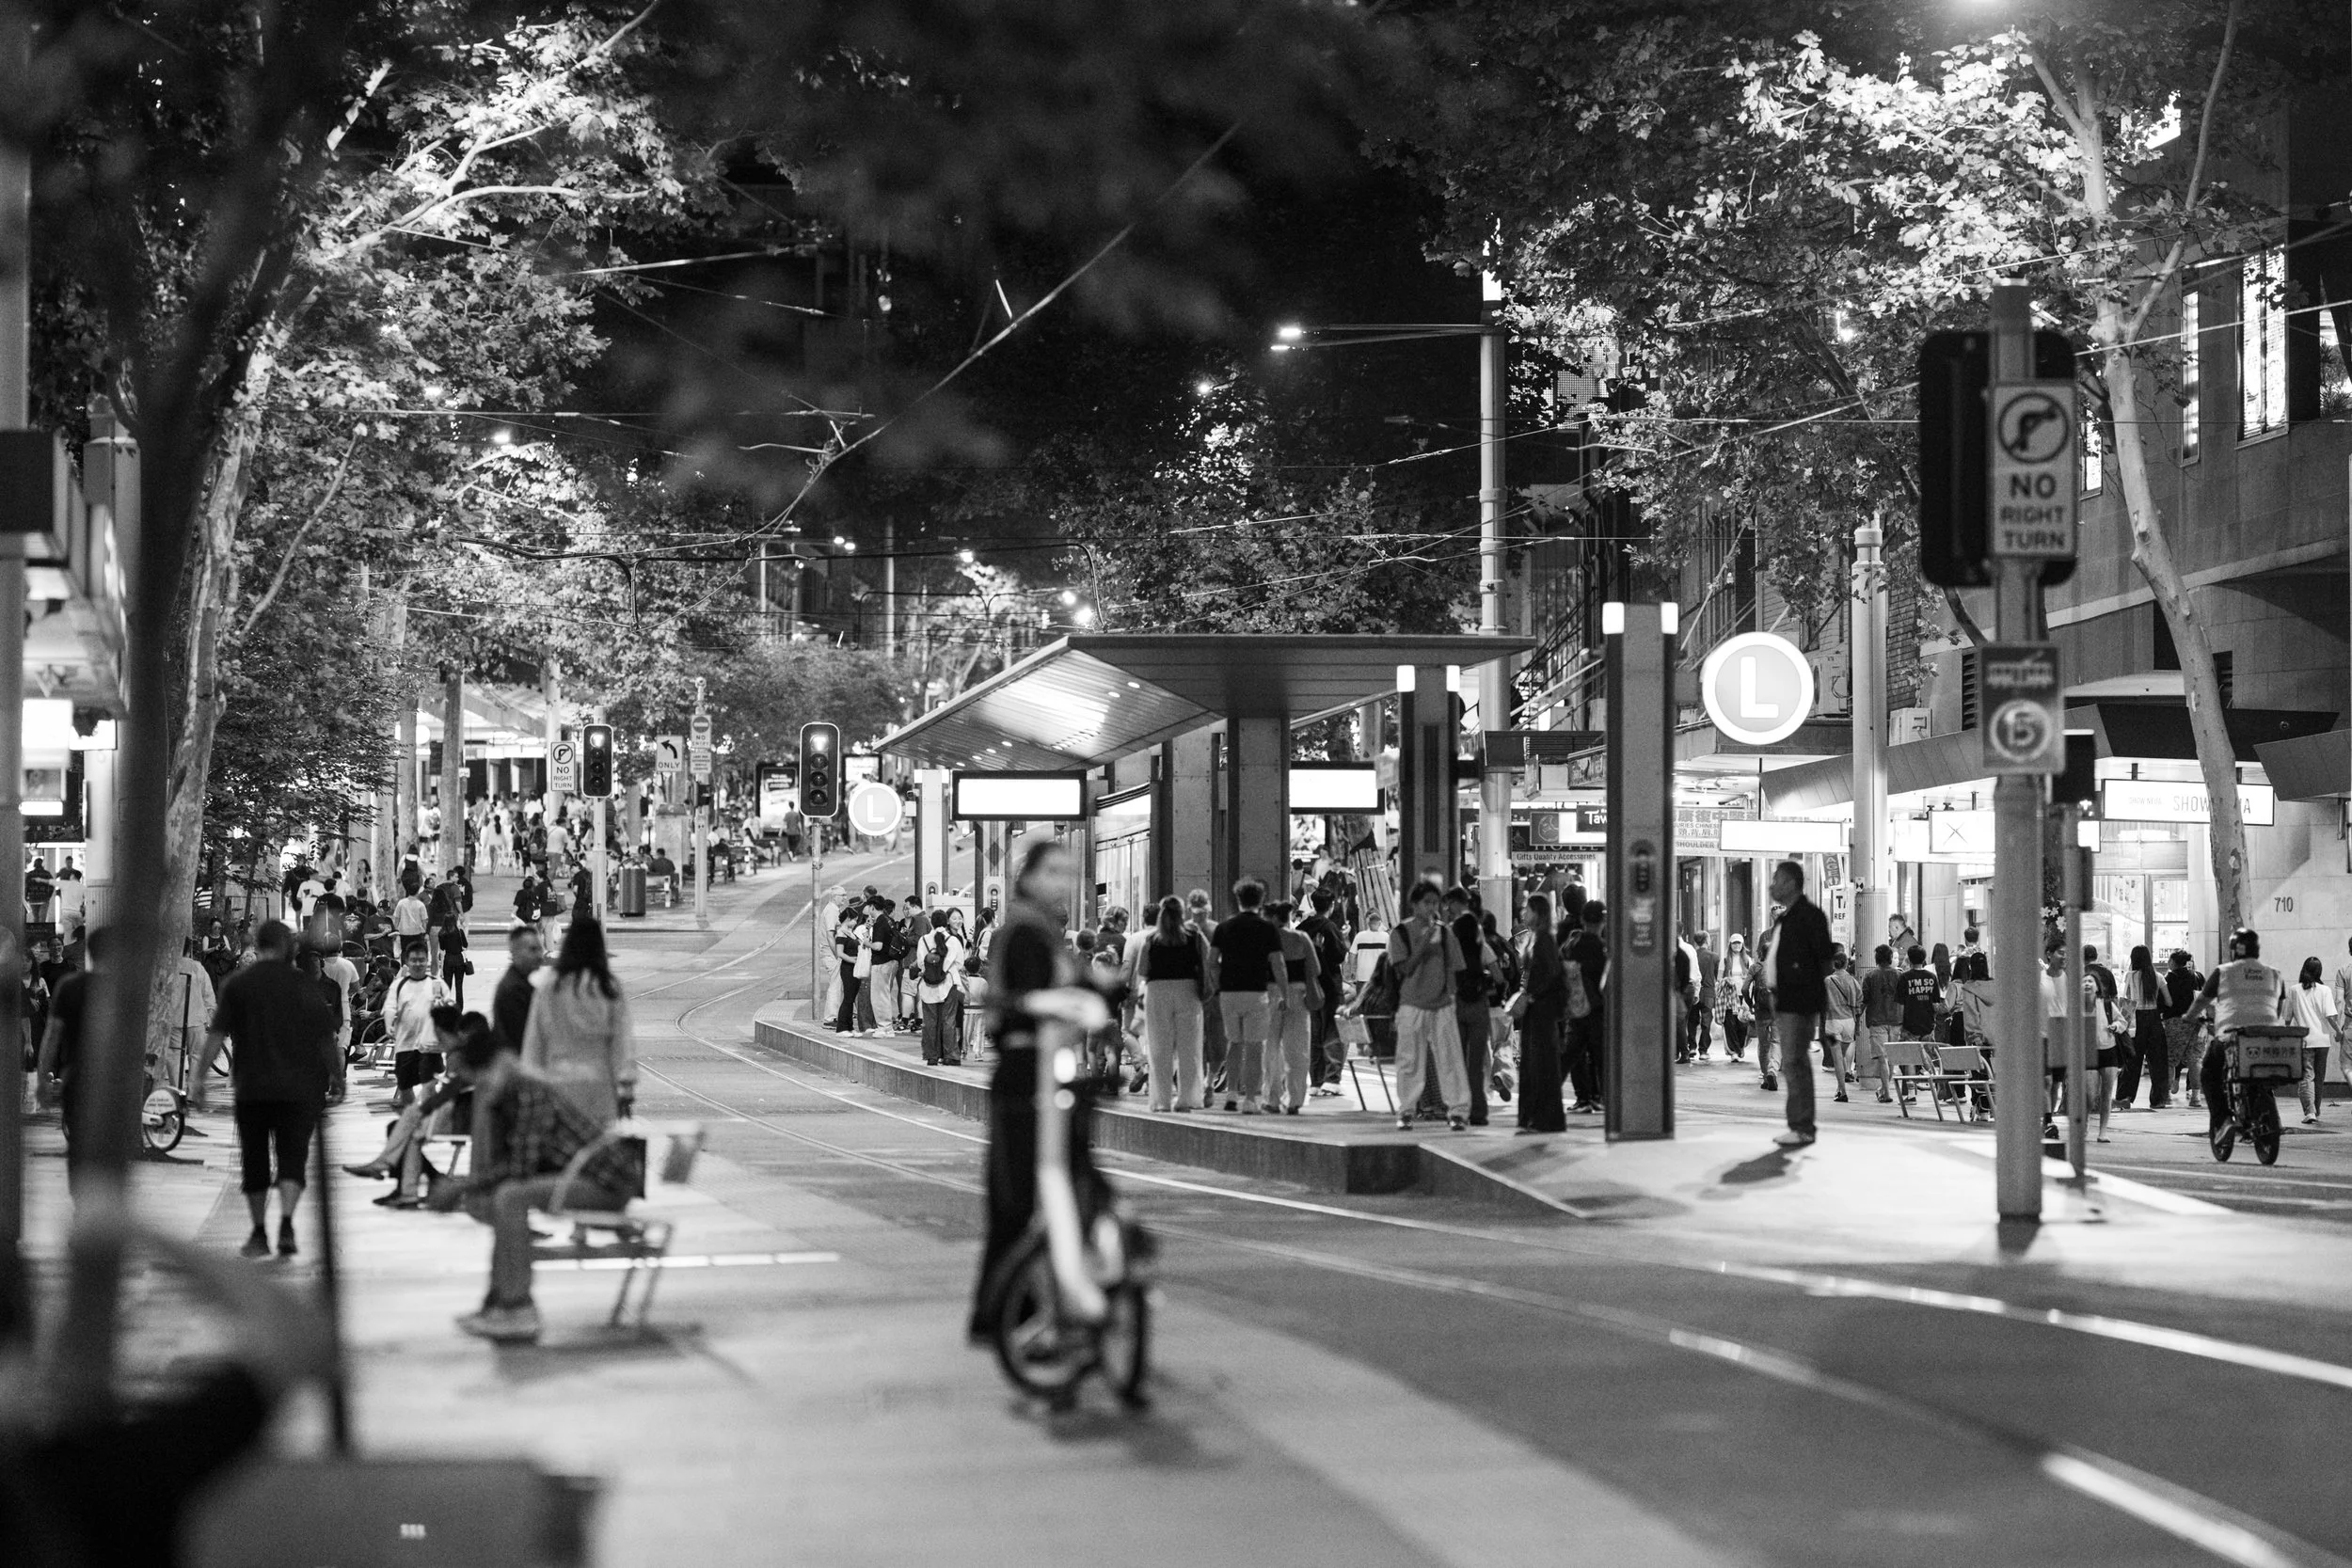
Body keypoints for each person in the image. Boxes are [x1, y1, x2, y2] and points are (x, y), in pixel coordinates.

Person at [969, 839, 1112, 1341]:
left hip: (1051, 1071)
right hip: (1025, 1072)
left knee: (1057, 1183)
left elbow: (1080, 985)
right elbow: (1018, 997)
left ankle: (1025, 1307)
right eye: (1049, 871)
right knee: (1021, 1192)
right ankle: (1010, 1310)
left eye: (1066, 872)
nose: (1059, 881)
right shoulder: (1023, 930)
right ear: (1026, 876)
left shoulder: (1046, 931)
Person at [427, 1015, 642, 1343]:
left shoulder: (527, 1090)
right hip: (586, 1179)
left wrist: (461, 1186)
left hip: (608, 1185)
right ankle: (499, 1303)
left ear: (493, 1069)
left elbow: (520, 1166)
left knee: (511, 1196)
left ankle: (518, 1306)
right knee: (504, 1199)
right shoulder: (512, 1092)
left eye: (480, 1079)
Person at [191, 920, 338, 1259]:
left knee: (254, 1160)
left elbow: (215, 1036)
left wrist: (198, 1079)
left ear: (258, 946)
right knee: (291, 1158)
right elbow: (324, 1037)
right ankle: (286, 1222)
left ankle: (259, 1232)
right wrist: (336, 1076)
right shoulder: (302, 984)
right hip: (296, 1089)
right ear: (288, 947)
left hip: (252, 1088)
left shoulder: (239, 985)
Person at [520, 916, 637, 1125]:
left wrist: (530, 1084)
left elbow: (535, 1040)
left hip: (557, 1086)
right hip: (600, 1087)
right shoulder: (608, 987)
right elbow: (622, 1040)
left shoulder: (550, 987)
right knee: (597, 1152)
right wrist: (626, 1084)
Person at [2185, 927, 2294, 1140]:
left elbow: (2201, 1001)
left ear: (2234, 950)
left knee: (2208, 1073)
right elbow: (2278, 1010)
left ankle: (2224, 1120)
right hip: (2268, 1039)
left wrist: (2188, 1017)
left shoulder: (2224, 972)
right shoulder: (2275, 974)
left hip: (2231, 1039)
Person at [1756, 861, 1833, 1148]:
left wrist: (1800, 986)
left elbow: (1823, 959)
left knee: (1795, 1062)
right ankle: (1799, 1124)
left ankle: (1801, 1126)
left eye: (1776, 879)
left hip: (1798, 1001)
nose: (1772, 885)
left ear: (1790, 883)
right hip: (1786, 999)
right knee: (1793, 1061)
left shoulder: (1808, 916)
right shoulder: (1789, 918)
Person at [1387, 881, 1471, 1132]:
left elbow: (1455, 968)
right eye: (1427, 903)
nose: (1433, 908)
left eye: (1435, 903)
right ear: (1415, 904)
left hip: (1443, 1004)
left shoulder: (1446, 933)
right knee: (1409, 1060)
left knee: (1451, 1059)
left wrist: (1451, 997)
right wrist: (1424, 943)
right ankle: (1406, 1110)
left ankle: (1457, 1111)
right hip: (1412, 1004)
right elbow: (1405, 968)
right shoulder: (1400, 933)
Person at [1209, 879, 1285, 1115]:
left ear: (1238, 899)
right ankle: (1250, 1099)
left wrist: (1218, 984)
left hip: (1229, 993)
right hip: (1256, 992)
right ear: (1261, 900)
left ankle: (1231, 1093)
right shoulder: (1268, 928)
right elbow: (1278, 964)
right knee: (1254, 1047)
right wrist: (1284, 993)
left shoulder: (1224, 927)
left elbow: (1212, 962)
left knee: (1234, 1043)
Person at [30, 927, 103, 1175]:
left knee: (76, 1133)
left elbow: (52, 1035)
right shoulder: (124, 988)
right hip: (110, 1074)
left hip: (77, 1072)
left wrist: (41, 1079)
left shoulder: (70, 986)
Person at [1136, 895, 1208, 1113]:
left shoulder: (1152, 939)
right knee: (1190, 1048)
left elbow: (1142, 970)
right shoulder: (1194, 936)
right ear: (1182, 914)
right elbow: (1207, 962)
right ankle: (1188, 1099)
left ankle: (1161, 1101)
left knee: (1159, 1048)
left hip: (1157, 992)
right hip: (1188, 991)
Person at [1440, 887, 1494, 1126]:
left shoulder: (1454, 929)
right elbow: (1494, 969)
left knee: (1458, 1060)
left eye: (1447, 904)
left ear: (1454, 903)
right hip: (1479, 999)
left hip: (1458, 999)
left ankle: (1460, 1109)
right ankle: (1479, 1111)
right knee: (1476, 1062)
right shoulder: (1479, 930)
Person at [1517, 893, 1568, 1132]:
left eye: (1528, 909)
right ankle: (1536, 1117)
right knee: (1534, 1064)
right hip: (1536, 1011)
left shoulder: (1544, 940)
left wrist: (1532, 994)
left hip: (1542, 1011)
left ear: (1538, 913)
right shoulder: (1536, 938)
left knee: (1541, 1064)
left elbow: (1549, 974)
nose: (1524, 913)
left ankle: (1543, 1117)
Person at [1266, 901, 1323, 1116]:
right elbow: (1316, 968)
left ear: (1272, 918)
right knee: (1298, 1049)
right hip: (1299, 994)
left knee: (1271, 1047)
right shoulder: (1301, 938)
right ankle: (1295, 1100)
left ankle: (1272, 1098)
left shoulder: (1267, 940)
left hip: (1271, 994)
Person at [382, 939, 453, 1109]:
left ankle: (431, 1121)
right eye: (414, 960)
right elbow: (390, 1007)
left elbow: (449, 1010)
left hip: (430, 1046)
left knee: (430, 1086)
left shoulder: (438, 984)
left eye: (422, 960)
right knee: (405, 1087)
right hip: (405, 1045)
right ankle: (414, 1118)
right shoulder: (398, 985)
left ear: (428, 959)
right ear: (407, 961)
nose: (418, 964)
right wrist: (388, 1025)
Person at [1299, 889, 1348, 1093]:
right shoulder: (1329, 927)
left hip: (1309, 987)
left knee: (1315, 1033)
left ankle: (1316, 1081)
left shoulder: (1303, 928)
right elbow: (1338, 956)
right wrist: (1342, 938)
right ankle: (1332, 1080)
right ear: (1332, 905)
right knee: (1334, 1032)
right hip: (1329, 986)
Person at [1563, 900, 1608, 1113]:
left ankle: (1579, 1098)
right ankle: (1600, 1098)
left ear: (1582, 919)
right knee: (1601, 1058)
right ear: (1603, 920)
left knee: (1571, 1055)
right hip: (1599, 1010)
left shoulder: (1572, 944)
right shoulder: (1604, 948)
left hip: (1577, 1008)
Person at [915, 909, 968, 1067]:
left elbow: (920, 963)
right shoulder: (953, 940)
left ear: (931, 922)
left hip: (927, 985)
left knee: (930, 1021)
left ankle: (932, 1056)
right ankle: (950, 1055)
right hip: (949, 984)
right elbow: (959, 963)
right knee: (948, 1020)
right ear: (946, 922)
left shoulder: (924, 940)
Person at [2292, 955, 2337, 1127]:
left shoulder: (2294, 990)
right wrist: (2338, 1032)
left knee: (2306, 1076)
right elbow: (2331, 1016)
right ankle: (2316, 1111)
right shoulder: (2325, 990)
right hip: (2323, 1040)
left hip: (2304, 1040)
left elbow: (2287, 1018)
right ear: (2320, 971)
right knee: (2319, 1078)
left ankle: (2310, 1112)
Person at [2125, 944, 2169, 1111]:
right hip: (2154, 1019)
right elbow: (2169, 1001)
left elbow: (2126, 1000)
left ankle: (2126, 1097)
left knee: (2133, 1060)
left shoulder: (2130, 976)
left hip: (2137, 1020)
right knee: (2157, 1061)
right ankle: (2158, 1100)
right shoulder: (2158, 976)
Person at [1857, 942, 1902, 1102]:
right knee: (1891, 1058)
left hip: (1877, 1022)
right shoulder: (1899, 976)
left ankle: (1885, 1091)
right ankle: (1884, 1090)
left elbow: (1864, 1000)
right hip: (1896, 1020)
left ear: (1876, 958)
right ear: (1890, 958)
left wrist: (1857, 1018)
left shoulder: (1870, 976)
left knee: (1882, 1058)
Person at [1822, 946, 1864, 1102]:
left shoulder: (1827, 981)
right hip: (1849, 1022)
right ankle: (1839, 1088)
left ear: (1834, 965)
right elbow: (1860, 1000)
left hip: (1833, 1022)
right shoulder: (1852, 981)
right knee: (1843, 1056)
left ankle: (1843, 1092)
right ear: (1846, 964)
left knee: (1837, 1059)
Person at [1718, 934, 1755, 1061]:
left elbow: (1752, 979)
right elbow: (1719, 979)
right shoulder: (1725, 960)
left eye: (1739, 943)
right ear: (1730, 945)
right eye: (1734, 943)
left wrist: (1749, 997)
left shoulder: (1748, 960)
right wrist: (1727, 980)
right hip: (1729, 996)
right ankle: (1734, 1051)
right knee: (1730, 1023)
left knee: (1743, 1023)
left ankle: (1740, 1047)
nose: (1737, 945)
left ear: (1743, 945)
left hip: (1743, 995)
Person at [1898, 943, 1941, 1040]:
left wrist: (1901, 1024)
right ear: (1924, 959)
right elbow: (1936, 1005)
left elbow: (1901, 1004)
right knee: (1928, 1055)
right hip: (1928, 1026)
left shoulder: (1904, 977)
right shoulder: (1932, 977)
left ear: (1909, 959)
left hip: (1909, 1027)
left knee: (1910, 1055)